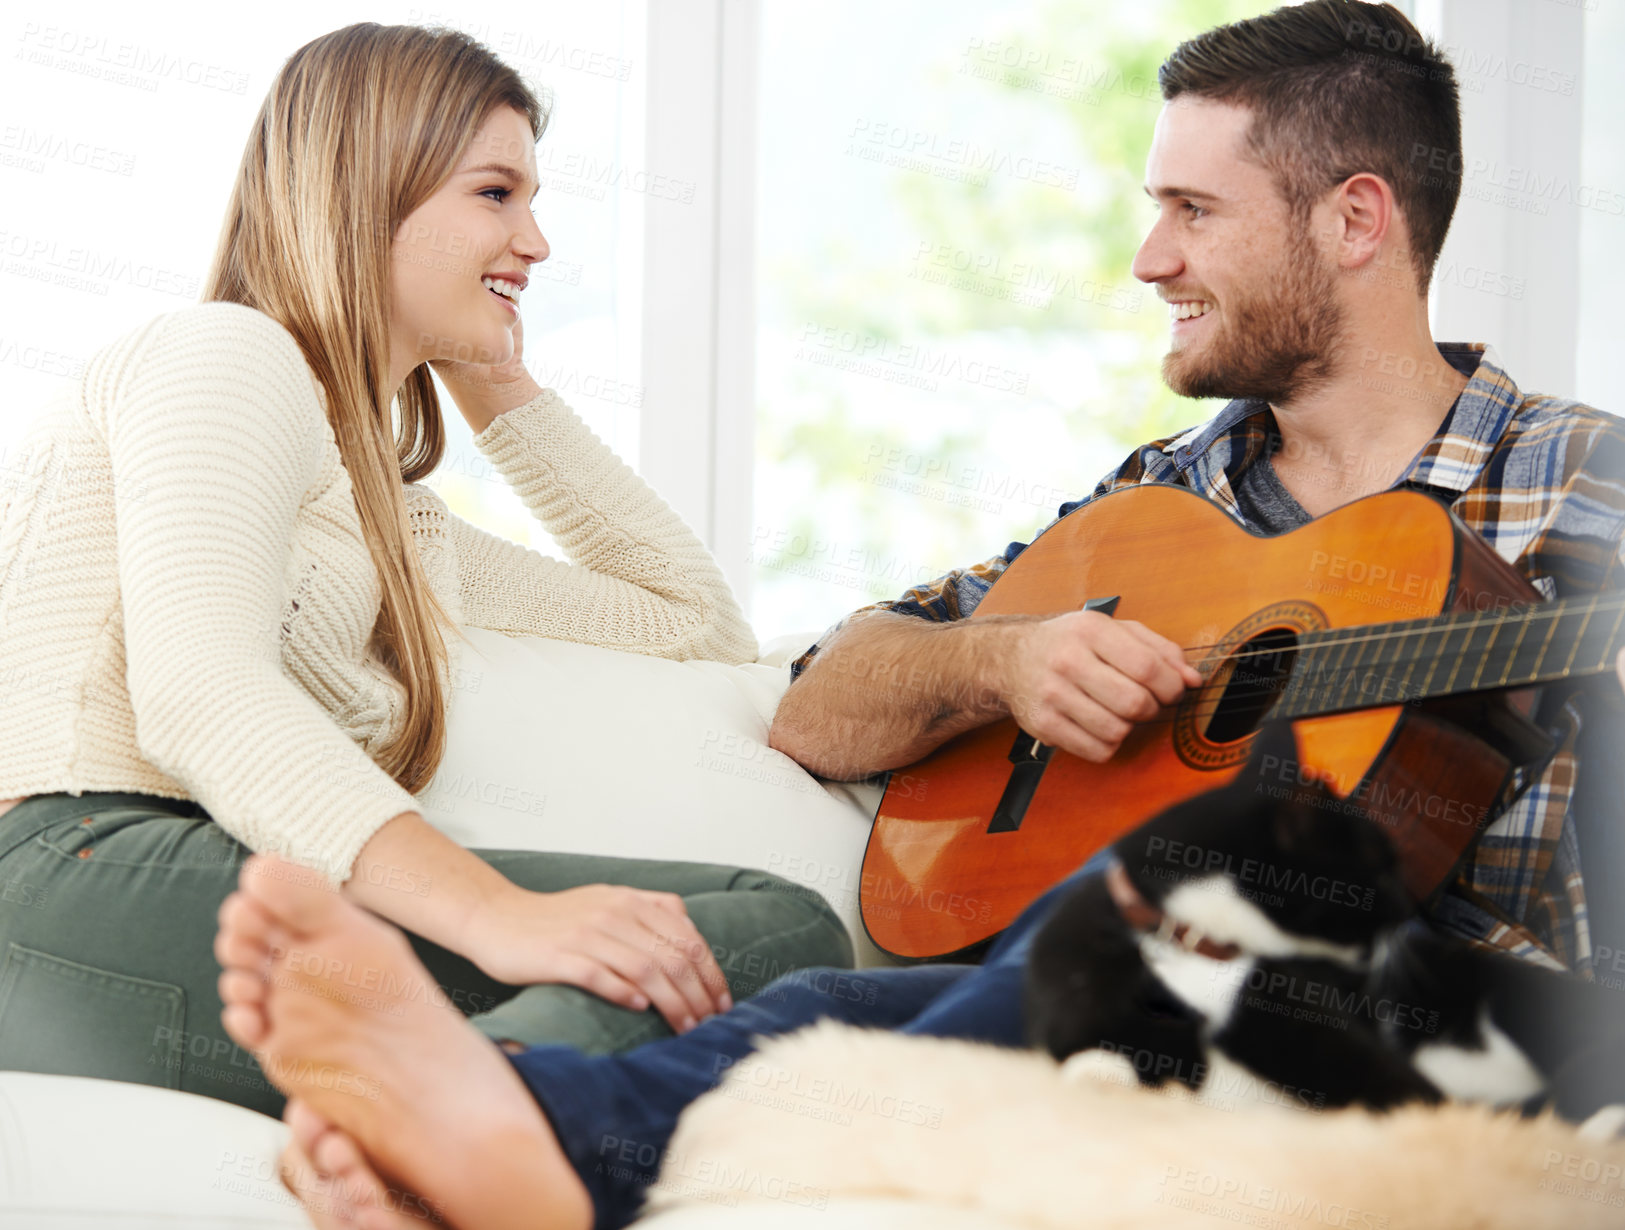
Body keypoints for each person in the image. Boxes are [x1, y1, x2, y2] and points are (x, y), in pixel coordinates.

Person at [209, 3, 1625, 1226]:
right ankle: (533, 1140)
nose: (1147, 260)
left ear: (1356, 219)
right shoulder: (1162, 503)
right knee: (814, 1011)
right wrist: (1003, 661)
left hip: (1514, 1024)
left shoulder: (1586, 483)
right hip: (1138, 993)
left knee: (1237, 846)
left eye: (1192, 212)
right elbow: (820, 693)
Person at [0, 23, 852, 1119]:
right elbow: (198, 691)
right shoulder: (225, 352)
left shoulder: (390, 523)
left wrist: (497, 377)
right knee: (760, 929)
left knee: (763, 927)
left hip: (167, 888)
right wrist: (497, 913)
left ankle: (450, 1130)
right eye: (495, 192)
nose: (536, 239)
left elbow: (687, 617)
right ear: (364, 191)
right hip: (61, 874)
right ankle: (467, 1122)